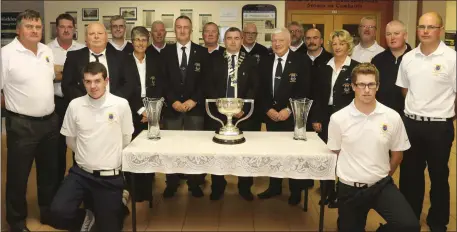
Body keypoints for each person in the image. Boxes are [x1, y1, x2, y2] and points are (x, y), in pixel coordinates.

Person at [328, 63, 420, 232]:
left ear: (377, 86)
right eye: (361, 84)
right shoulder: (338, 119)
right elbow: (336, 151)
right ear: (353, 86)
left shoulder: (392, 116)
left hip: (381, 185)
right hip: (350, 189)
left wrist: (383, 174)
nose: (366, 89)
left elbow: (397, 154)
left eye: (371, 84)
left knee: (409, 226)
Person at [49, 62, 133, 232]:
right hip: (81, 174)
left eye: (97, 81)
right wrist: (88, 158)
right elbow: (70, 141)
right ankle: (85, 218)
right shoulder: (75, 105)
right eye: (88, 81)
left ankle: (118, 202)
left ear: (106, 80)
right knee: (57, 212)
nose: (93, 86)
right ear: (83, 82)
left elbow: (126, 139)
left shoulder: (121, 105)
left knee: (109, 228)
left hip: (109, 178)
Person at [396, 12, 456, 232]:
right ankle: (409, 219)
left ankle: (438, 221)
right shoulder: (409, 58)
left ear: (440, 29)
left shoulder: (452, 58)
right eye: (422, 26)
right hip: (411, 124)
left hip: (440, 126)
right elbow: (405, 89)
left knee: (439, 175)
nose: (425, 31)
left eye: (431, 27)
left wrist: (443, 112)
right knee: (410, 175)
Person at [1, 10, 60, 232]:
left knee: (49, 173)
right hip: (21, 125)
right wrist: (16, 106)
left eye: (38, 27)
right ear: (18, 29)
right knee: (18, 175)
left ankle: (47, 211)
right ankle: (15, 221)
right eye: (29, 26)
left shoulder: (46, 51)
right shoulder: (6, 54)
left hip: (49, 122)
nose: (34, 31)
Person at [257, 28, 311, 205]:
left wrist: (289, 109)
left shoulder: (302, 61)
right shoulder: (265, 61)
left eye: (280, 40)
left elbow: (305, 89)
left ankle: (295, 191)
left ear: (289, 42)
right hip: (271, 117)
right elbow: (260, 90)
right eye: (273, 40)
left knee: (294, 155)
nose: (277, 44)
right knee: (274, 154)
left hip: (292, 117)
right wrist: (267, 110)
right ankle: (274, 186)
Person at [205, 27, 259, 201]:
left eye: (237, 38)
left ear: (242, 39)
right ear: (224, 40)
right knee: (217, 152)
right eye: (229, 38)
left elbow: (254, 86)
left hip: (243, 114)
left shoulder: (250, 61)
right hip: (219, 112)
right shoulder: (214, 60)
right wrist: (220, 104)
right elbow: (209, 84)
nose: (233, 41)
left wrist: (242, 107)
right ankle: (217, 185)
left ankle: (245, 187)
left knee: (246, 152)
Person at [160, 15, 208, 198]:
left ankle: (194, 183)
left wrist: (193, 100)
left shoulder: (201, 53)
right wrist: (173, 101)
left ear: (191, 29)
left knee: (194, 148)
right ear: (174, 29)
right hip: (172, 109)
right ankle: (171, 183)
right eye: (178, 27)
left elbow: (205, 81)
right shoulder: (165, 53)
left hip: (194, 109)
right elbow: (162, 81)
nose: (182, 30)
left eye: (185, 27)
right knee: (171, 148)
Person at [126, 26, 164, 203]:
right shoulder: (123, 62)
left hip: (152, 111)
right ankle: (133, 191)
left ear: (147, 42)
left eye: (143, 40)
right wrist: (141, 110)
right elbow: (121, 90)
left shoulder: (156, 61)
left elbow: (161, 87)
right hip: (132, 111)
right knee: (133, 152)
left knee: (148, 152)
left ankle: (147, 192)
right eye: (137, 40)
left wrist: (152, 110)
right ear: (131, 42)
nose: (140, 43)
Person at [47, 13, 85, 183]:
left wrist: (59, 71)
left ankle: (80, 183)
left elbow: (83, 76)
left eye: (69, 27)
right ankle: (59, 186)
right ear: (57, 29)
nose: (66, 30)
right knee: (57, 149)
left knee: (81, 145)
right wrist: (70, 72)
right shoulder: (46, 50)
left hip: (79, 102)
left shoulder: (82, 49)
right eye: (62, 27)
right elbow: (45, 75)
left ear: (74, 29)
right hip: (57, 104)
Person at [62, 22, 134, 103]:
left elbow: (129, 84)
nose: (96, 36)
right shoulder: (73, 57)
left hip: (113, 106)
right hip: (84, 107)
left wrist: (113, 102)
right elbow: (67, 86)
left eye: (100, 33)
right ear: (86, 38)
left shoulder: (122, 57)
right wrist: (85, 102)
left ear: (106, 37)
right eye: (92, 34)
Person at [312, 29, 359, 143]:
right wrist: (316, 118)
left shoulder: (356, 68)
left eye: (342, 44)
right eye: (334, 44)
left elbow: (358, 95)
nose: (338, 47)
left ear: (348, 46)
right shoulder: (323, 67)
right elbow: (317, 95)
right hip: (325, 116)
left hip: (348, 116)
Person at [371, 20, 412, 115]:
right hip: (381, 114)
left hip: (408, 115)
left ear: (405, 36)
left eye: (396, 33)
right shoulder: (377, 60)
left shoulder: (415, 59)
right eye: (388, 34)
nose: (392, 37)